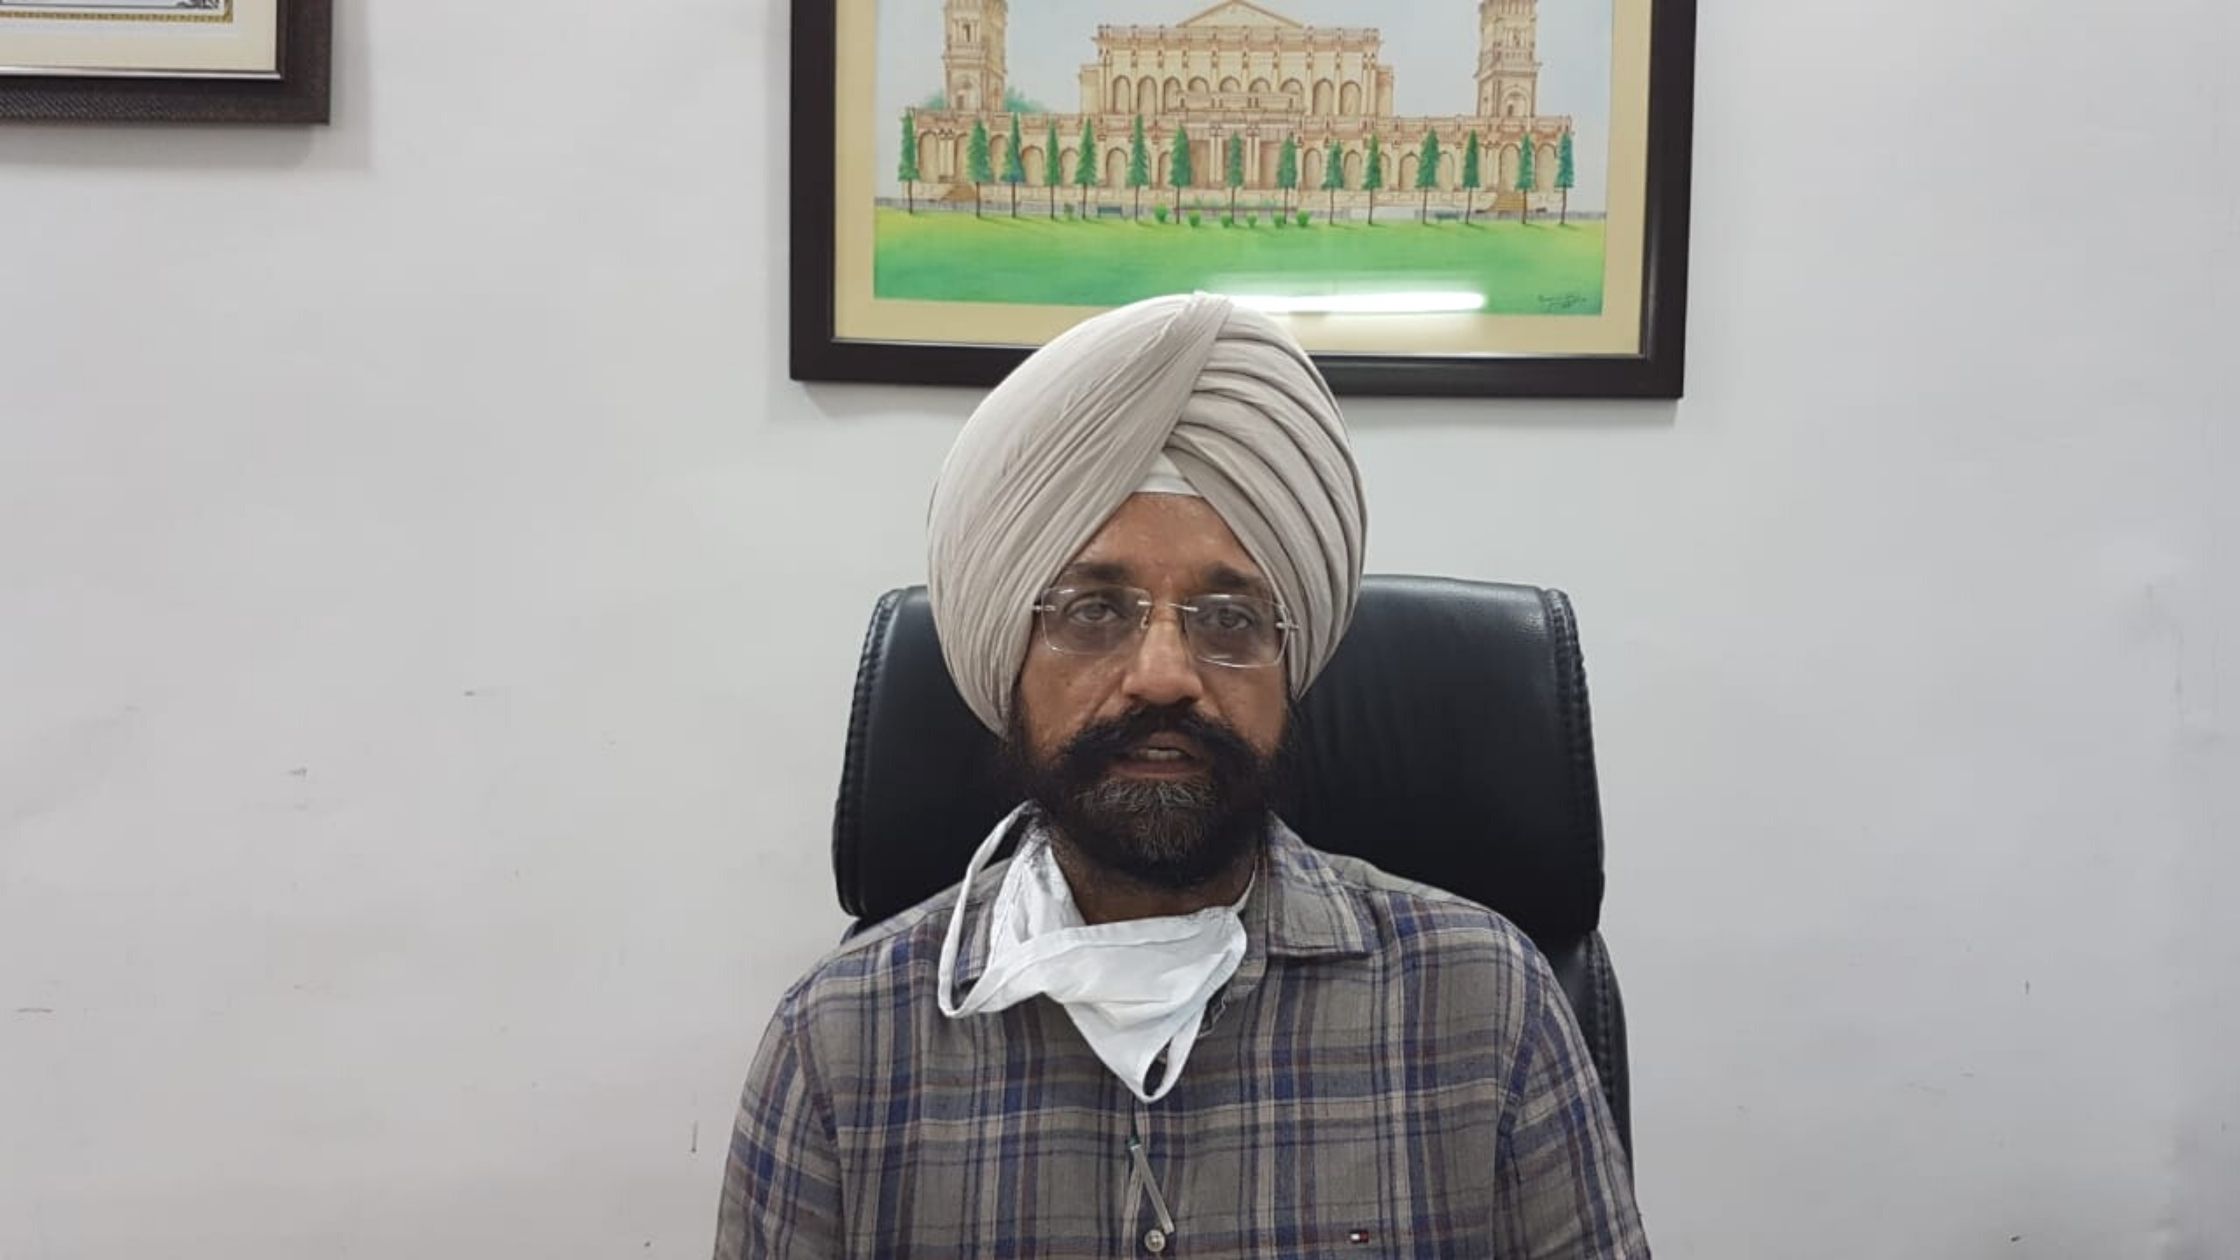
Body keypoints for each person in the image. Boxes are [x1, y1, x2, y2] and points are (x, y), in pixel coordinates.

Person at [714, 293, 1648, 1258]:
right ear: (1008, 659)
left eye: (1230, 620)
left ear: (1289, 668)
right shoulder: (842, 1046)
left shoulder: (1485, 1006)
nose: (1163, 675)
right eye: (1093, 611)